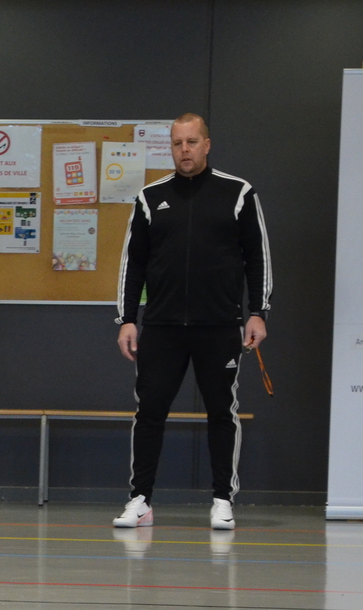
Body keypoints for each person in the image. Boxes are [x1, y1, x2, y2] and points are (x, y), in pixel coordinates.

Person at [114, 112, 272, 531]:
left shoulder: (238, 193)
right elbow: (134, 264)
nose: (184, 150)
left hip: (220, 325)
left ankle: (222, 500)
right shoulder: (150, 198)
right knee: (149, 412)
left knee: (221, 412)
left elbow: (257, 257)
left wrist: (258, 312)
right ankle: (140, 501)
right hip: (162, 328)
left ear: (207, 144)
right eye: (177, 143)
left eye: (191, 142)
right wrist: (127, 319)